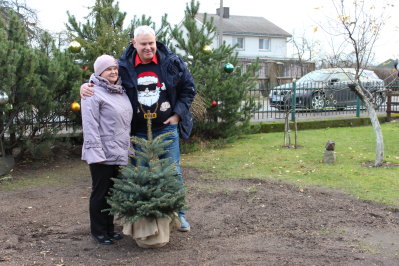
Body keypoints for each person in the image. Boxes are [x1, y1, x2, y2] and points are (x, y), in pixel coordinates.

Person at [81, 25, 196, 232]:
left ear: (156, 41)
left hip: (166, 129)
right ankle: (142, 220)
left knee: (173, 173)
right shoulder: (123, 65)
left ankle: (179, 215)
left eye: (151, 43)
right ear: (134, 44)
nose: (148, 47)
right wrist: (87, 85)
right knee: (139, 177)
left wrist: (178, 114)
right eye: (143, 44)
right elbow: (106, 80)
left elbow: (189, 88)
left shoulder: (171, 62)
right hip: (136, 132)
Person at [81, 54, 133, 245]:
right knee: (100, 192)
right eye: (108, 69)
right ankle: (98, 231)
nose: (113, 72)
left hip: (118, 150)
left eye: (115, 68)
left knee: (111, 192)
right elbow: (90, 125)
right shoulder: (92, 93)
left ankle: (109, 230)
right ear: (99, 72)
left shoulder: (119, 91)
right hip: (102, 152)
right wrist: (95, 152)